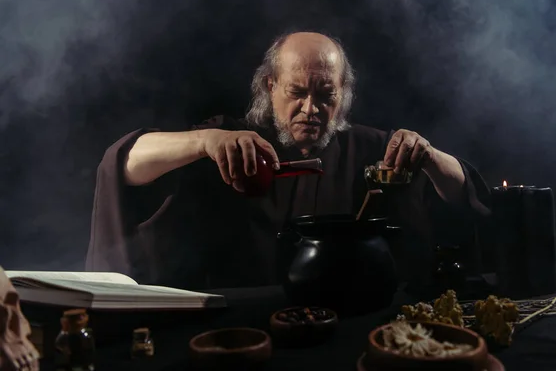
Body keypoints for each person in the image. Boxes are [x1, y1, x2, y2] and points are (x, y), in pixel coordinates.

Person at [85, 32, 491, 290]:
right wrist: (206, 141)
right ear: (271, 85)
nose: (310, 108)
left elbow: (464, 195)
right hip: (238, 317)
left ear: (343, 94)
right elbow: (123, 163)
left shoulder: (372, 148)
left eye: (325, 95)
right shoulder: (232, 135)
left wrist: (430, 155)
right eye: (296, 92)